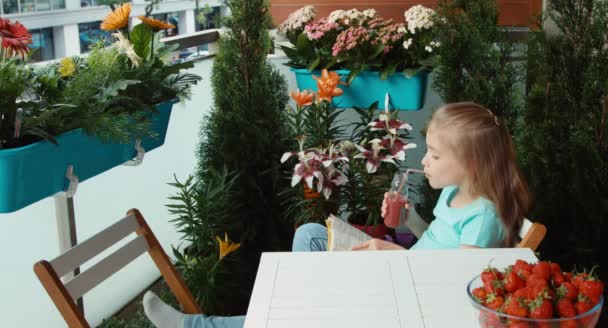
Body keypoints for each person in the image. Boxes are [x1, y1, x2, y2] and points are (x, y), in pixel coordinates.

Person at [143, 102, 531, 328]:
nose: (425, 161)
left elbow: (456, 285)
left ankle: (199, 326)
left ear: (472, 162)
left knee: (294, 311)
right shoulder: (454, 192)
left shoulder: (483, 216)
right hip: (405, 270)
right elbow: (435, 239)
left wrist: (393, 253)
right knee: (311, 234)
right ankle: (301, 311)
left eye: (435, 154)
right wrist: (408, 222)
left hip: (410, 295)